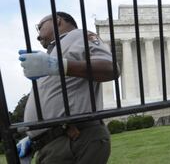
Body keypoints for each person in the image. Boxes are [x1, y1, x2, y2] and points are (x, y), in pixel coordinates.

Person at [17, 12, 118, 163]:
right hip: (55, 143)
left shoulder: (78, 36)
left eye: (40, 28)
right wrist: (34, 137)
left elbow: (111, 69)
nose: (38, 36)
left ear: (57, 21)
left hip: (74, 138)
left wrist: (58, 66)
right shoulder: (52, 52)